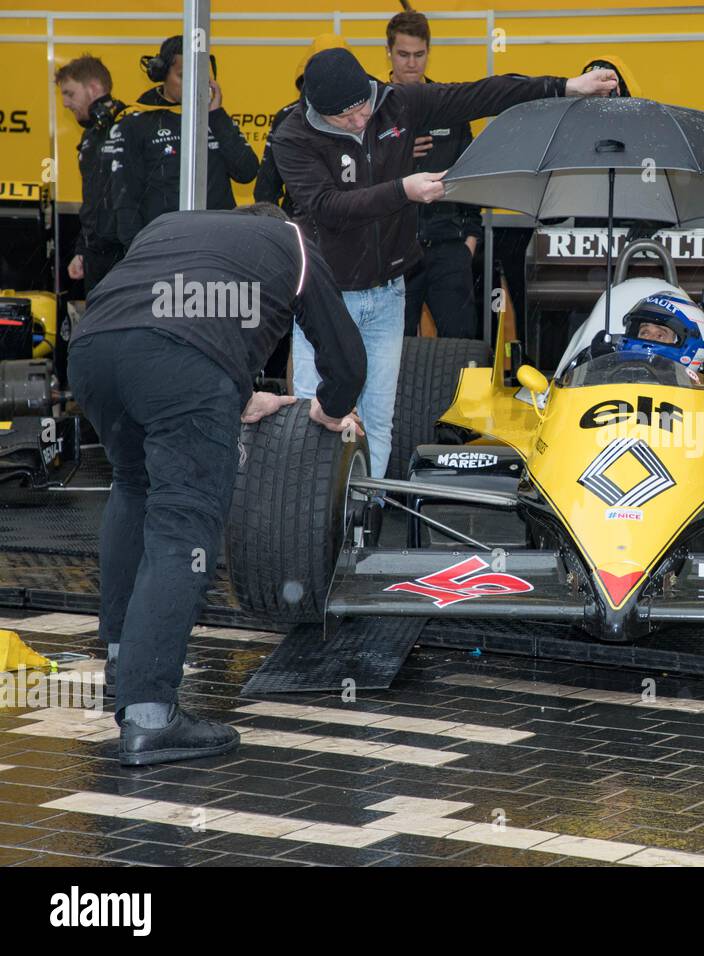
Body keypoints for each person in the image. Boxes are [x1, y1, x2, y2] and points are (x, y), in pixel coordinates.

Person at [68, 204, 365, 766]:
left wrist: (227, 394)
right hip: (180, 363)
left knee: (133, 486)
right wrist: (331, 408)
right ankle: (150, 715)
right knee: (184, 519)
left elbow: (159, 321)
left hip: (92, 351)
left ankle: (119, 657)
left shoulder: (167, 224)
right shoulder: (293, 242)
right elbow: (346, 358)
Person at [271, 46, 618, 478]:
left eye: (363, 109)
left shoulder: (396, 102)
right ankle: (306, 524)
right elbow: (327, 207)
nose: (360, 122)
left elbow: (480, 94)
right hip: (324, 298)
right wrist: (404, 190)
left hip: (387, 293)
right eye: (345, 119)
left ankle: (367, 516)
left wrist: (566, 87)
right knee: (316, 415)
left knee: (378, 421)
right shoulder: (292, 136)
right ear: (316, 111)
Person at [386, 11, 485, 340]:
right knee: (393, 348)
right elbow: (357, 181)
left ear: (429, 51)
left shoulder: (449, 105)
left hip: (448, 247)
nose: (411, 63)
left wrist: (469, 241)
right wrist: (398, 153)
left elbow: (469, 177)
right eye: (403, 54)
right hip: (393, 248)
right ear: (388, 52)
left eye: (419, 54)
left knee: (462, 345)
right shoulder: (372, 113)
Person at [111, 35, 259, 249]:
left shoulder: (214, 118)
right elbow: (126, 197)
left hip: (218, 243)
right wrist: (136, 251)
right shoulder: (136, 122)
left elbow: (247, 172)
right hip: (164, 244)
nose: (193, 84)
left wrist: (217, 116)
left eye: (200, 76)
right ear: (162, 74)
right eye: (183, 76)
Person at [253, 33, 351, 219]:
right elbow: (266, 189)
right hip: (303, 224)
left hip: (346, 221)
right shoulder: (287, 117)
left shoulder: (362, 116)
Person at [56, 55, 128, 293]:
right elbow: (93, 201)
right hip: (96, 256)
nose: (65, 103)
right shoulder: (90, 136)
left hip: (126, 254)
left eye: (70, 93)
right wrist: (81, 251)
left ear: (94, 88)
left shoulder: (131, 127)